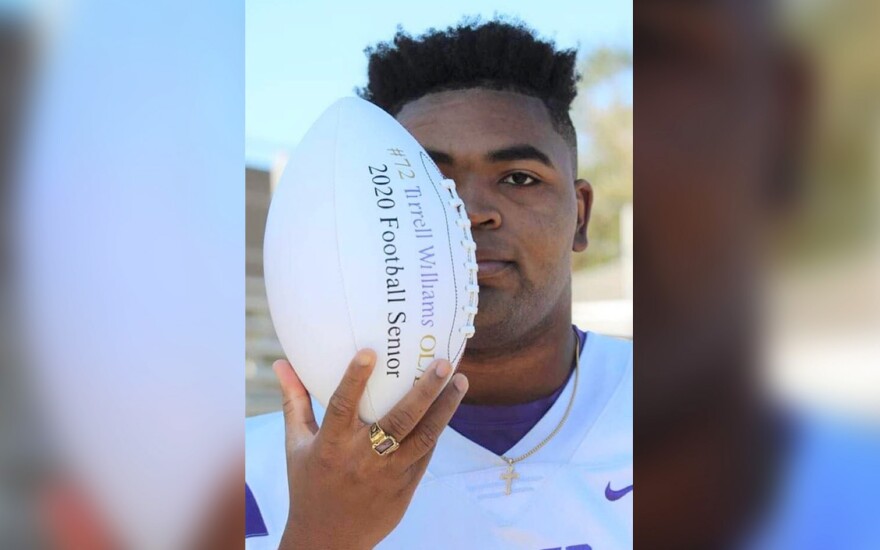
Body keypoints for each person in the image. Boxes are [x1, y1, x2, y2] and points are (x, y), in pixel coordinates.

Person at [245, 20, 633, 549]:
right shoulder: (256, 470)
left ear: (581, 216)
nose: (470, 213)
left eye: (519, 178)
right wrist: (321, 536)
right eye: (427, 179)